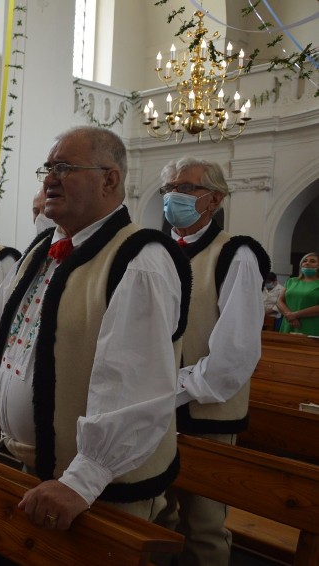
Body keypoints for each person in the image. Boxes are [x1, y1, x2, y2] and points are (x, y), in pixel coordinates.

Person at [0, 126, 191, 531]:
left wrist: (82, 481)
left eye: (63, 167)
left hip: (94, 491)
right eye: (47, 168)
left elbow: (135, 386)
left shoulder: (140, 259)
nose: (49, 178)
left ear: (109, 179)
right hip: (21, 467)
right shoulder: (40, 251)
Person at [156, 156, 269, 566]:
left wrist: (173, 388)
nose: (174, 197)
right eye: (169, 189)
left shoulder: (235, 256)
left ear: (214, 200)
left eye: (186, 189)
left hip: (207, 413)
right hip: (155, 410)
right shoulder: (156, 253)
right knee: (157, 518)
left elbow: (235, 355)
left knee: (203, 527)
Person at [278, 252, 319, 335]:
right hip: (289, 322)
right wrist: (291, 317)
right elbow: (280, 301)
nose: (307, 263)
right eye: (305, 261)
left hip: (311, 325)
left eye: (312, 261)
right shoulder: (291, 281)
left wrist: (296, 315)